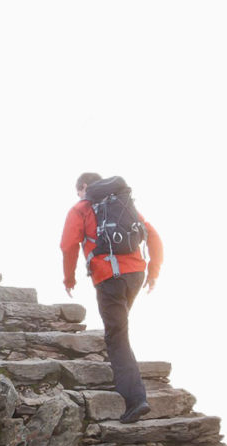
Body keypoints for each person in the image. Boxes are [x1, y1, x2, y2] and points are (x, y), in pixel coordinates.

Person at [60, 172, 164, 423]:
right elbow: (154, 237)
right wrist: (153, 272)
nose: (80, 196)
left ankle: (135, 399)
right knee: (119, 329)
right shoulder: (122, 206)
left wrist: (69, 278)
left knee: (116, 336)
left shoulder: (82, 208)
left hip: (109, 277)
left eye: (79, 191)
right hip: (136, 275)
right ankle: (127, 377)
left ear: (84, 186)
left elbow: (67, 245)